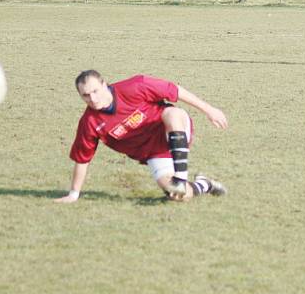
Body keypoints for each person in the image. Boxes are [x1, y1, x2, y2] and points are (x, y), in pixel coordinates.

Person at [54, 70, 228, 203]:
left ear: (104, 84)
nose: (92, 98)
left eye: (95, 91)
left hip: (172, 128)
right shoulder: (89, 123)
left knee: (171, 114)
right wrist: (74, 194)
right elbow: (82, 159)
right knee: (177, 195)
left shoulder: (135, 86)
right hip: (154, 154)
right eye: (85, 95)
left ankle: (181, 178)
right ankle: (204, 184)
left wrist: (209, 110)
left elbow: (175, 90)